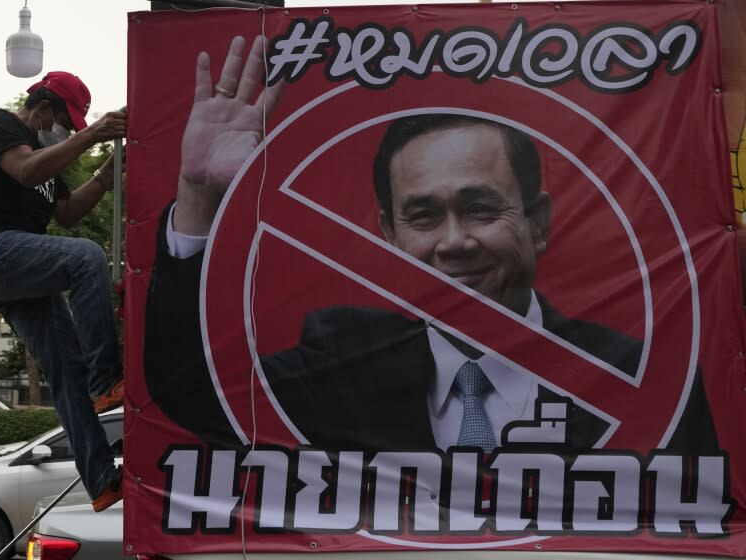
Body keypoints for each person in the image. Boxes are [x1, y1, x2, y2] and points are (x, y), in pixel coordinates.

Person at [143, 37, 718, 454]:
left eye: (480, 208)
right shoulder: (341, 362)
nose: (454, 242)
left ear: (538, 222)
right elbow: (194, 397)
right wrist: (198, 194)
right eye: (422, 217)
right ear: (389, 237)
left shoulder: (641, 380)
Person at [0, 71, 126, 511]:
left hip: (18, 269)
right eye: (66, 122)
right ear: (42, 108)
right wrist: (96, 133)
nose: (66, 133)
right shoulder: (1, 125)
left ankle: (102, 479)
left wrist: (106, 175)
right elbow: (25, 171)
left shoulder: (48, 155)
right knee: (85, 257)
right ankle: (108, 379)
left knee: (67, 368)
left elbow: (65, 213)